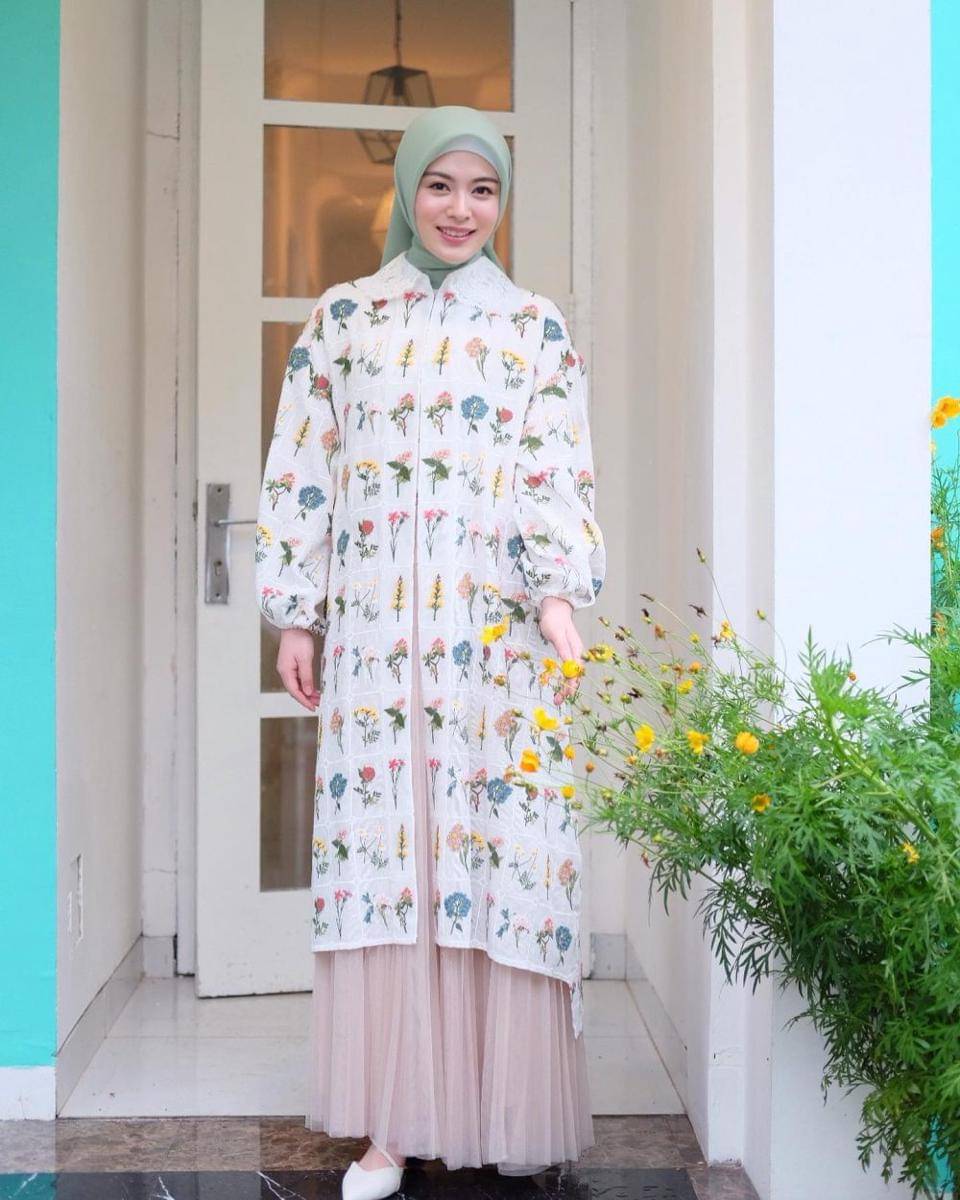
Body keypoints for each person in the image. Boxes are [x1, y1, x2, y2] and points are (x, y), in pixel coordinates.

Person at [255, 104, 606, 1200]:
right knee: (394, 859)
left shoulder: (533, 328)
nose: (461, 209)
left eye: (483, 189)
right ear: (407, 189)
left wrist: (558, 596)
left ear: (503, 202)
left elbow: (555, 466)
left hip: (492, 646)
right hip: (377, 647)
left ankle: (496, 1107)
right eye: (442, 185)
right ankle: (392, 1129)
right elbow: (303, 467)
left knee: (491, 854)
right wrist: (297, 614)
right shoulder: (345, 319)